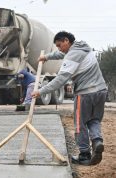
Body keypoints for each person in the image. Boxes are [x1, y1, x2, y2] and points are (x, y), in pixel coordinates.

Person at [31, 31, 107, 166]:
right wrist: (47, 57)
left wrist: (41, 91)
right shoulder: (82, 47)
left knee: (80, 124)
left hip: (85, 93)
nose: (59, 49)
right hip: (101, 91)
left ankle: (84, 154)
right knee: (94, 119)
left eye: (60, 45)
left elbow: (61, 79)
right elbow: (62, 54)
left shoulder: (72, 55)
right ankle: (97, 141)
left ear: (66, 41)